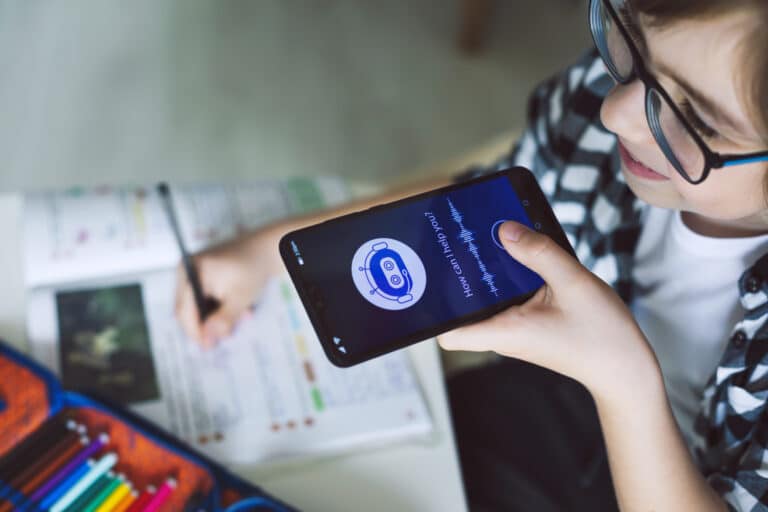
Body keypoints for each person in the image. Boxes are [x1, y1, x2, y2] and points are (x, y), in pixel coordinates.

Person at [175, 0, 768, 510]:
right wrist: (269, 251)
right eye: (634, 48)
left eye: (694, 119)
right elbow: (471, 202)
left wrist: (624, 380)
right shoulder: (608, 101)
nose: (616, 112)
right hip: (558, 398)